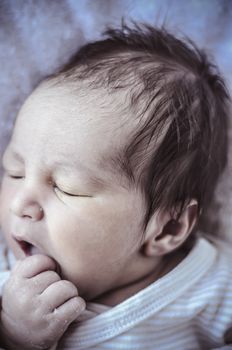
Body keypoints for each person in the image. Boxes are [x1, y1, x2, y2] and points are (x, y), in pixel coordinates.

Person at [0, 23, 231, 350]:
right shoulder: (6, 285)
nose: (19, 204)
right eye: (14, 171)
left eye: (67, 188)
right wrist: (13, 333)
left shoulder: (213, 285)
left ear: (169, 227)